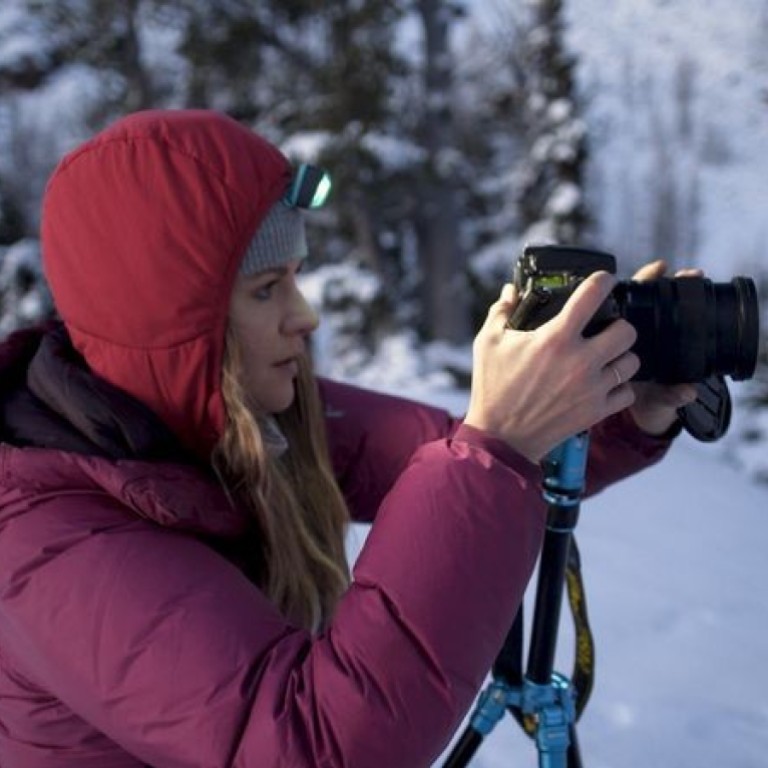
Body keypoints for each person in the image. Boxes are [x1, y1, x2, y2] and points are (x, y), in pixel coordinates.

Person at [0, 109, 695, 768]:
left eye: (295, 280)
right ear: (171, 319)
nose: (305, 318)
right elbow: (314, 743)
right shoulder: (47, 539)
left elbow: (471, 462)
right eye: (268, 289)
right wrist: (501, 440)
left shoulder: (257, 421)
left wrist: (618, 408)